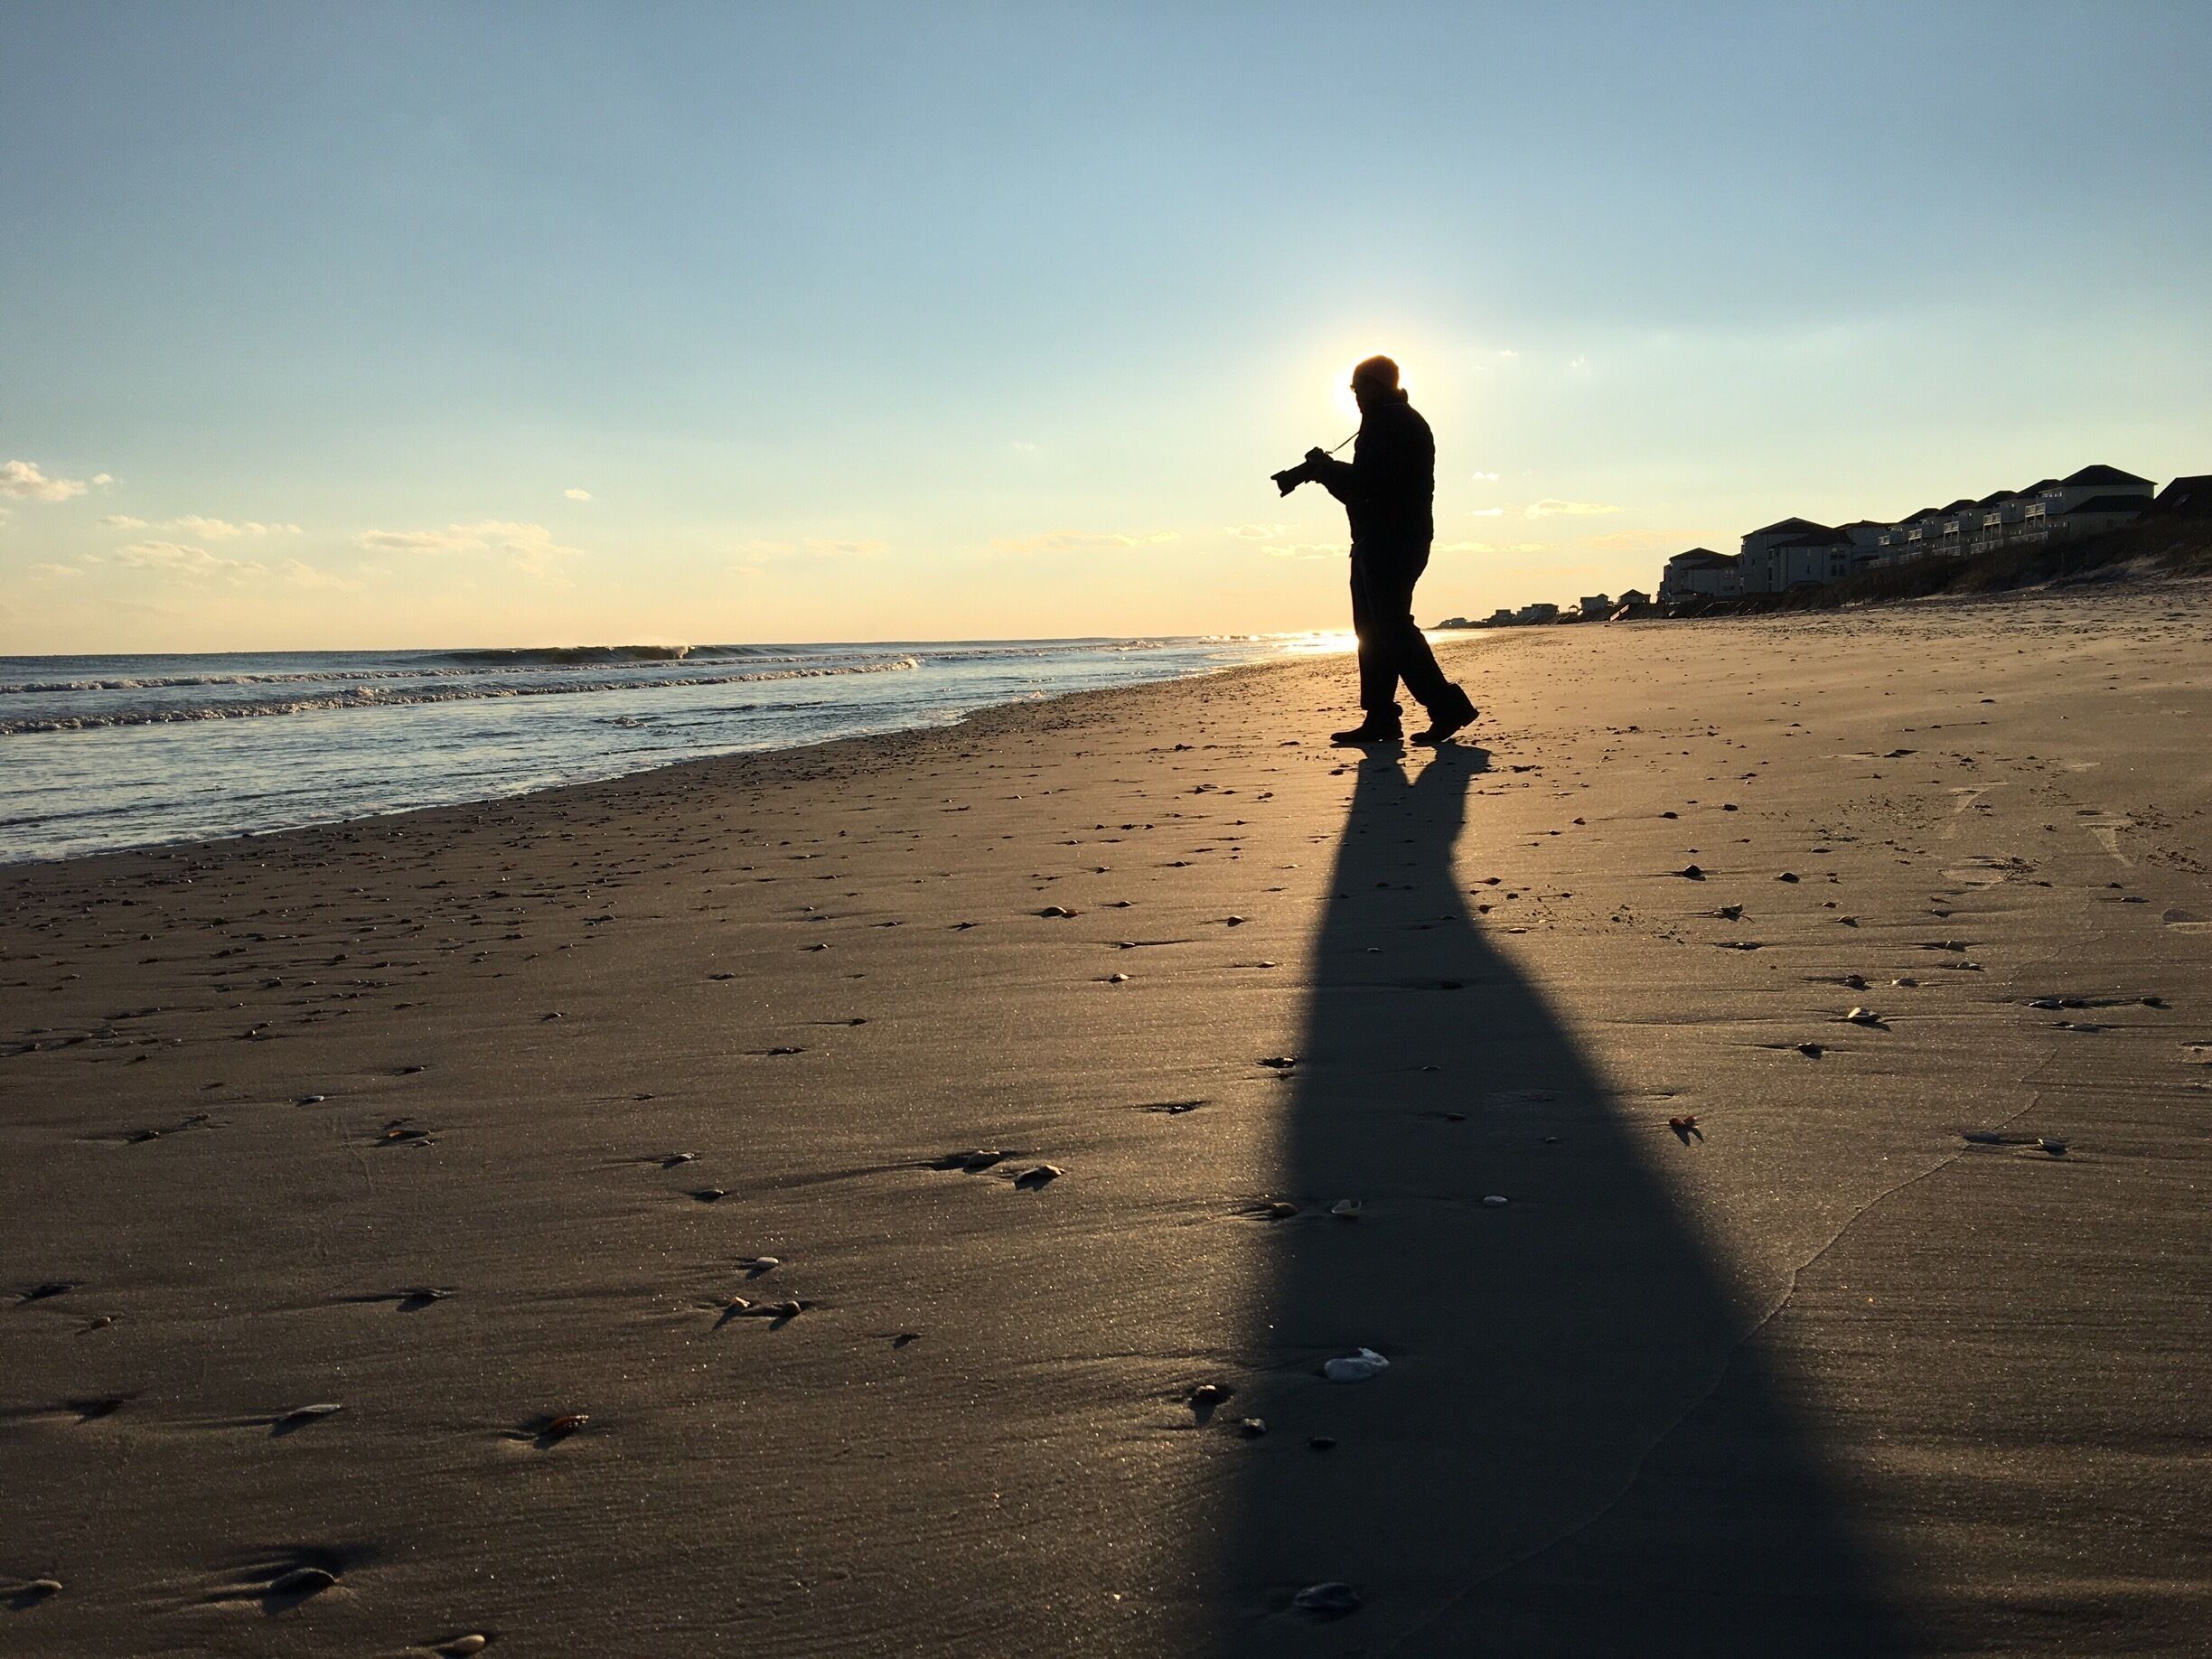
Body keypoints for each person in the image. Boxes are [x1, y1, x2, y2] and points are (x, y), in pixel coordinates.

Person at [1276, 356, 1479, 745]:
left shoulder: (1394, 424)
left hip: (1393, 538)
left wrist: (1323, 470)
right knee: (1372, 629)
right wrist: (1324, 473)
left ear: (1377, 385)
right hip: (1380, 538)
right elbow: (1360, 492)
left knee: (1391, 626)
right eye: (1351, 389)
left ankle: (1446, 706)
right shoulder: (1387, 421)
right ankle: (1382, 718)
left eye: (1359, 388)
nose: (1355, 396)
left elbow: (1366, 487)